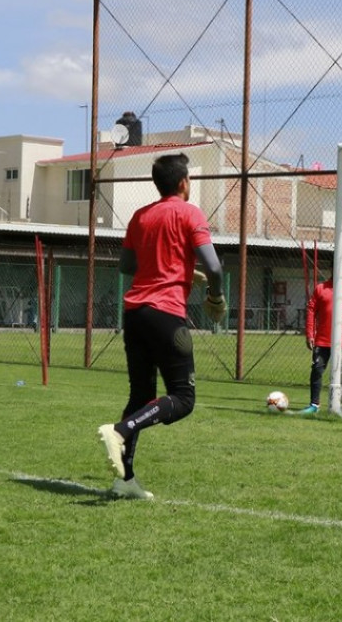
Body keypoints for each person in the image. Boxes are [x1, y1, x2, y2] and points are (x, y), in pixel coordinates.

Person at [97, 153, 226, 500]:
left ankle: (125, 480)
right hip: (166, 314)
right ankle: (121, 430)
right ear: (184, 183)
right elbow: (215, 266)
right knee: (183, 399)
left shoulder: (141, 216)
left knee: (140, 395)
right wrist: (215, 296)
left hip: (134, 313)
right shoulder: (189, 212)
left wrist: (179, 269)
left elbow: (127, 266)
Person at [302, 273, 342, 415]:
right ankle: (314, 405)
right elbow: (311, 309)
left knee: (341, 374)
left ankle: (338, 405)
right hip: (322, 340)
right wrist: (309, 334)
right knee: (317, 370)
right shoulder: (321, 288)